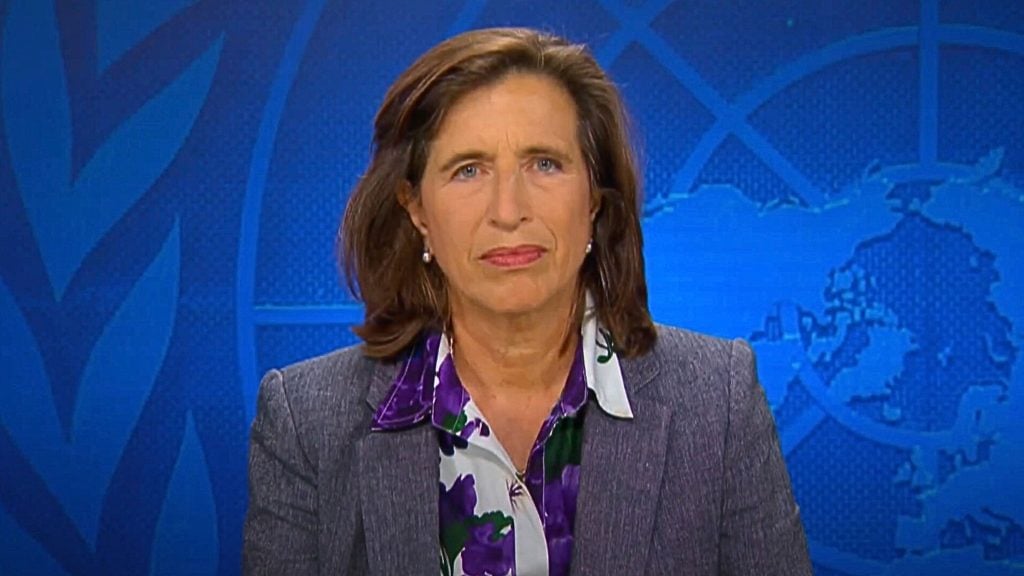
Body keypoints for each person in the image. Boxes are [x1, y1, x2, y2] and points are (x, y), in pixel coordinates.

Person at [243, 27, 811, 576]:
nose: (509, 210)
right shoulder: (307, 422)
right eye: (468, 170)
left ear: (593, 198)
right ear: (417, 210)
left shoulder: (719, 403)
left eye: (545, 163)